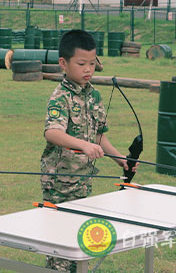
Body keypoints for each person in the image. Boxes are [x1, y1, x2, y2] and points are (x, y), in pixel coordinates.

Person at [40, 29, 138, 272]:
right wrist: (83, 145)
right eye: (81, 63)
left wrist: (120, 160)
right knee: (60, 244)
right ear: (63, 63)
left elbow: (98, 136)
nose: (88, 69)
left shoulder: (93, 96)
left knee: (78, 239)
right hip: (60, 182)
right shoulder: (60, 97)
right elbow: (52, 133)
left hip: (84, 180)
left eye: (92, 63)